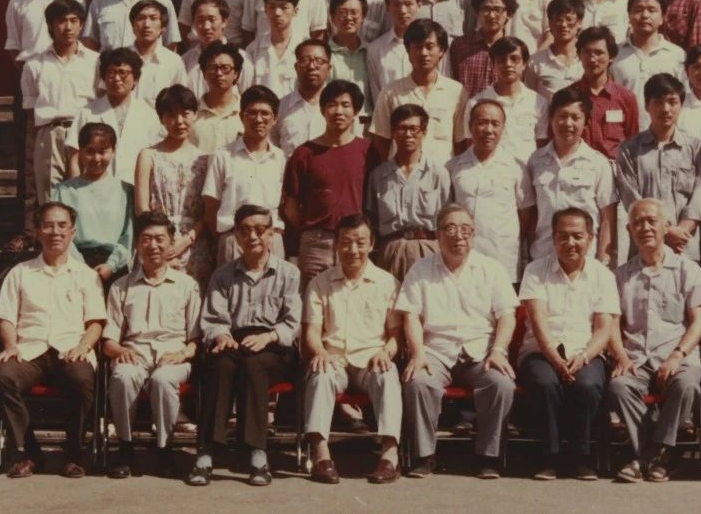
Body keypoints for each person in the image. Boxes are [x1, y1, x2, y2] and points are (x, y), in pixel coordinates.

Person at [396, 203, 519, 479]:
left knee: (501, 384)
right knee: (418, 381)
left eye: (466, 229)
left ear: (474, 235)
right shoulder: (421, 269)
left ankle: (488, 457)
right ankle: (424, 456)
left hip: (482, 351)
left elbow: (507, 316)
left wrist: (499, 350)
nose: (458, 236)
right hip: (436, 351)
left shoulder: (491, 269)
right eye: (450, 228)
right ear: (438, 235)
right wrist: (417, 353)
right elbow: (411, 315)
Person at [0, 201, 105, 479]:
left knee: (81, 378)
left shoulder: (87, 275)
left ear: (73, 232)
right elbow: (5, 317)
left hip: (70, 350)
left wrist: (83, 346)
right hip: (29, 351)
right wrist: (10, 345)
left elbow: (96, 322)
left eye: (62, 225)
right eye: (48, 225)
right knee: (0, 376)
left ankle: (74, 454)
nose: (56, 232)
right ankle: (29, 453)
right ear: (38, 231)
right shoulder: (20, 272)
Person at [191, 204, 301, 487]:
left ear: (272, 233)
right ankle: (206, 452)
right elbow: (213, 318)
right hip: (234, 340)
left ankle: (257, 453)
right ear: (237, 236)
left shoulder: (289, 273)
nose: (252, 236)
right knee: (220, 366)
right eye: (245, 230)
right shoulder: (222, 275)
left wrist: (269, 337)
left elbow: (292, 324)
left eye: (260, 230)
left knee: (255, 366)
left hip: (273, 346)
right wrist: (221, 335)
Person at [606, 198, 701, 483]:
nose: (645, 228)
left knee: (686, 383)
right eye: (638, 223)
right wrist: (620, 356)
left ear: (666, 226)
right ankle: (663, 455)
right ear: (629, 230)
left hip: (677, 354)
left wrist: (678, 354)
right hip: (636, 358)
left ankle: (646, 457)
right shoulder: (621, 276)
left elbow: (699, 323)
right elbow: (612, 324)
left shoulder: (688, 270)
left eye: (652, 221)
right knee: (619, 386)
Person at [518, 207, 619, 481]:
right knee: (545, 383)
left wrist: (584, 357)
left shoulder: (603, 276)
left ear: (590, 238)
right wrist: (554, 357)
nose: (570, 243)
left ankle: (581, 457)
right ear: (553, 238)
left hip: (585, 352)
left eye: (577, 236)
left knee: (588, 385)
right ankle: (548, 457)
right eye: (562, 236)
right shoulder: (535, 270)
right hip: (541, 351)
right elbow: (538, 323)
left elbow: (603, 328)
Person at [303, 214, 403, 485]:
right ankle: (321, 456)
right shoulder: (320, 283)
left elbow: (396, 335)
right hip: (334, 358)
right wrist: (320, 352)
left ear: (372, 244)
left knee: (388, 374)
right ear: (336, 245)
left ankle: (390, 456)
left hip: (371, 359)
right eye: (346, 242)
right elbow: (312, 331)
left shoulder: (387, 283)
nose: (353, 250)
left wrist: (386, 352)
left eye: (360, 242)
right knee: (320, 373)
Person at [103, 211, 202, 479]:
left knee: (163, 380)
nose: (153, 245)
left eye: (160, 239)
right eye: (146, 239)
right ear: (137, 244)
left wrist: (182, 353)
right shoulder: (121, 286)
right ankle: (125, 447)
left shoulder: (187, 285)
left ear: (171, 244)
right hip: (134, 353)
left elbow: (196, 340)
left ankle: (164, 449)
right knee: (122, 377)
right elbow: (108, 340)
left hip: (174, 356)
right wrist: (120, 351)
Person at [284, 80, 379, 285]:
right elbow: (291, 207)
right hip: (317, 243)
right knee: (313, 297)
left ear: (356, 112)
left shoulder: (368, 151)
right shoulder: (304, 153)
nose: (338, 111)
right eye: (332, 105)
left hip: (355, 241)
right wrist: (311, 232)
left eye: (345, 105)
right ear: (322, 110)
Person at [616, 74, 701, 262]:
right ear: (646, 106)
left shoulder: (696, 148)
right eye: (658, 102)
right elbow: (631, 198)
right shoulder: (629, 149)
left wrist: (680, 230)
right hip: (645, 244)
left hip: (683, 245)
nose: (666, 109)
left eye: (672, 102)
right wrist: (665, 231)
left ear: (681, 105)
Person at [21, 0, 97, 207]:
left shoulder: (95, 61)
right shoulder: (34, 65)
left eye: (74, 20)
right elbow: (30, 110)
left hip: (85, 134)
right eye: (62, 21)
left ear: (81, 24)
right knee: (50, 197)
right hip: (50, 133)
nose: (68, 27)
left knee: (85, 196)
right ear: (51, 25)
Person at [526, 87, 616, 264]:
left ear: (586, 122)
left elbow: (608, 216)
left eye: (575, 118)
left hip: (585, 260)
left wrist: (603, 259)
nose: (568, 123)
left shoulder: (597, 163)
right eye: (562, 116)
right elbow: (531, 213)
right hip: (543, 257)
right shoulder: (535, 161)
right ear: (551, 119)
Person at [448, 100, 534, 282]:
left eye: (495, 124)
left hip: (503, 256)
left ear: (503, 128)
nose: (488, 130)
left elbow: (525, 215)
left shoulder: (516, 168)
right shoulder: (454, 167)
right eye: (482, 122)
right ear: (470, 126)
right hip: (464, 255)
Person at [135, 85, 213, 286]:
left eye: (185, 114)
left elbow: (207, 212)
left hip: (194, 245)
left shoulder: (205, 159)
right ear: (161, 118)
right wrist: (164, 242)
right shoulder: (148, 155)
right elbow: (142, 208)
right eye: (171, 115)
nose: (179, 121)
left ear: (195, 115)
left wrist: (186, 240)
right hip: (157, 244)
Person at [202, 85, 287, 265]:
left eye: (265, 113)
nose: (258, 119)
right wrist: (227, 238)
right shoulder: (223, 156)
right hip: (233, 239)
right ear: (241, 116)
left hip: (271, 240)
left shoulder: (281, 159)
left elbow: (285, 205)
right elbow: (211, 206)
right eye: (252, 113)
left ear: (275, 119)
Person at [366, 104, 450, 281]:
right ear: (393, 132)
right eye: (402, 128)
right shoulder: (379, 176)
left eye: (414, 129)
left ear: (424, 133)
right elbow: (371, 221)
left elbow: (448, 219)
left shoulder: (438, 174)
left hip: (428, 250)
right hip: (391, 251)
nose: (408, 134)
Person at [371, 19, 467, 165]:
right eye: (417, 47)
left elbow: (460, 142)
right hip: (401, 174)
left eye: (429, 46)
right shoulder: (391, 92)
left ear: (441, 50)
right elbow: (381, 142)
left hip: (443, 173)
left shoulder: (456, 91)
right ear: (408, 51)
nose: (423, 53)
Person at [52, 122, 134, 285]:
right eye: (90, 151)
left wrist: (111, 265)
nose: (96, 158)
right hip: (73, 264)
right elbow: (60, 233)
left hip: (114, 267)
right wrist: (79, 265)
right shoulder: (63, 191)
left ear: (113, 151)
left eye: (103, 152)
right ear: (80, 152)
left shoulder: (125, 190)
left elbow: (129, 234)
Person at [68, 48, 163, 185]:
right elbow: (74, 158)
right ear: (103, 77)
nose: (117, 78)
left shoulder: (149, 115)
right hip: (94, 189)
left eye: (122, 72)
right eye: (111, 72)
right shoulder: (87, 112)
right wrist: (77, 191)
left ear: (135, 78)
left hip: (136, 189)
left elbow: (157, 157)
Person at [610, 0, 685, 131]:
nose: (645, 15)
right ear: (629, 16)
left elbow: (683, 101)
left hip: (665, 135)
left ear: (662, 18)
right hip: (624, 134)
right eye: (638, 10)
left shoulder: (677, 55)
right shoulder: (615, 54)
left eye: (651, 10)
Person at [462, 37, 549, 161]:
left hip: (526, 170)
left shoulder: (539, 103)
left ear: (524, 64)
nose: (508, 64)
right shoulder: (476, 104)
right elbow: (471, 146)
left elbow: (541, 147)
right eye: (501, 60)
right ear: (493, 65)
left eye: (514, 59)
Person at [572, 26, 639, 163]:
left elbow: (633, 142)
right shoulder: (569, 97)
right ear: (579, 55)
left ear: (611, 57)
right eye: (587, 52)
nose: (592, 59)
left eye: (599, 53)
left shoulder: (626, 98)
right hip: (578, 167)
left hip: (614, 169)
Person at [448, 0, 517, 98]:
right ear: (476, 12)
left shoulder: (514, 49)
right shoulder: (460, 46)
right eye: (486, 9)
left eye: (497, 9)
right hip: (467, 108)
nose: (491, 15)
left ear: (508, 13)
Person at [181, 0, 254, 100]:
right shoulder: (185, 61)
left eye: (212, 20)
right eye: (200, 20)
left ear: (224, 22)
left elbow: (249, 98)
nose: (206, 26)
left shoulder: (242, 58)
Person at [122, 0, 188, 107]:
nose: (146, 24)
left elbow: (181, 101)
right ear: (132, 26)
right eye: (141, 18)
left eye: (153, 18)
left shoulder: (173, 62)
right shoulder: (120, 57)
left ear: (163, 28)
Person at [243, 0, 302, 99]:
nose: (277, 13)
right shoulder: (253, 50)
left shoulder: (305, 48)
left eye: (284, 7)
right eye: (271, 7)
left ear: (295, 11)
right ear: (265, 10)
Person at [366, 0, 422, 103]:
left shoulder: (431, 46)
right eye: (396, 4)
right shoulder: (375, 49)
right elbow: (377, 95)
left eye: (408, 4)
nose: (402, 11)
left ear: (419, 5)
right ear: (387, 7)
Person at [325, 0, 373, 132]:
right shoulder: (323, 54)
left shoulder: (371, 52)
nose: (348, 17)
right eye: (342, 12)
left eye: (354, 12)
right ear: (332, 16)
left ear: (363, 17)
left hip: (366, 129)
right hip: (332, 128)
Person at [276, 39, 329, 158]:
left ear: (329, 68)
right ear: (296, 67)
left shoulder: (340, 108)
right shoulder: (281, 108)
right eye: (305, 60)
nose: (311, 66)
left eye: (319, 61)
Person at [525, 0, 585, 101]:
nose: (563, 25)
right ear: (549, 23)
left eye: (569, 19)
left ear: (579, 23)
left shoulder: (588, 58)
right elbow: (529, 98)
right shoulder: (535, 62)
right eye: (558, 20)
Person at [190, 41, 246, 154]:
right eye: (212, 68)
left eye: (225, 68)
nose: (219, 73)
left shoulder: (247, 112)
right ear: (203, 73)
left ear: (236, 73)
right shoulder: (191, 114)